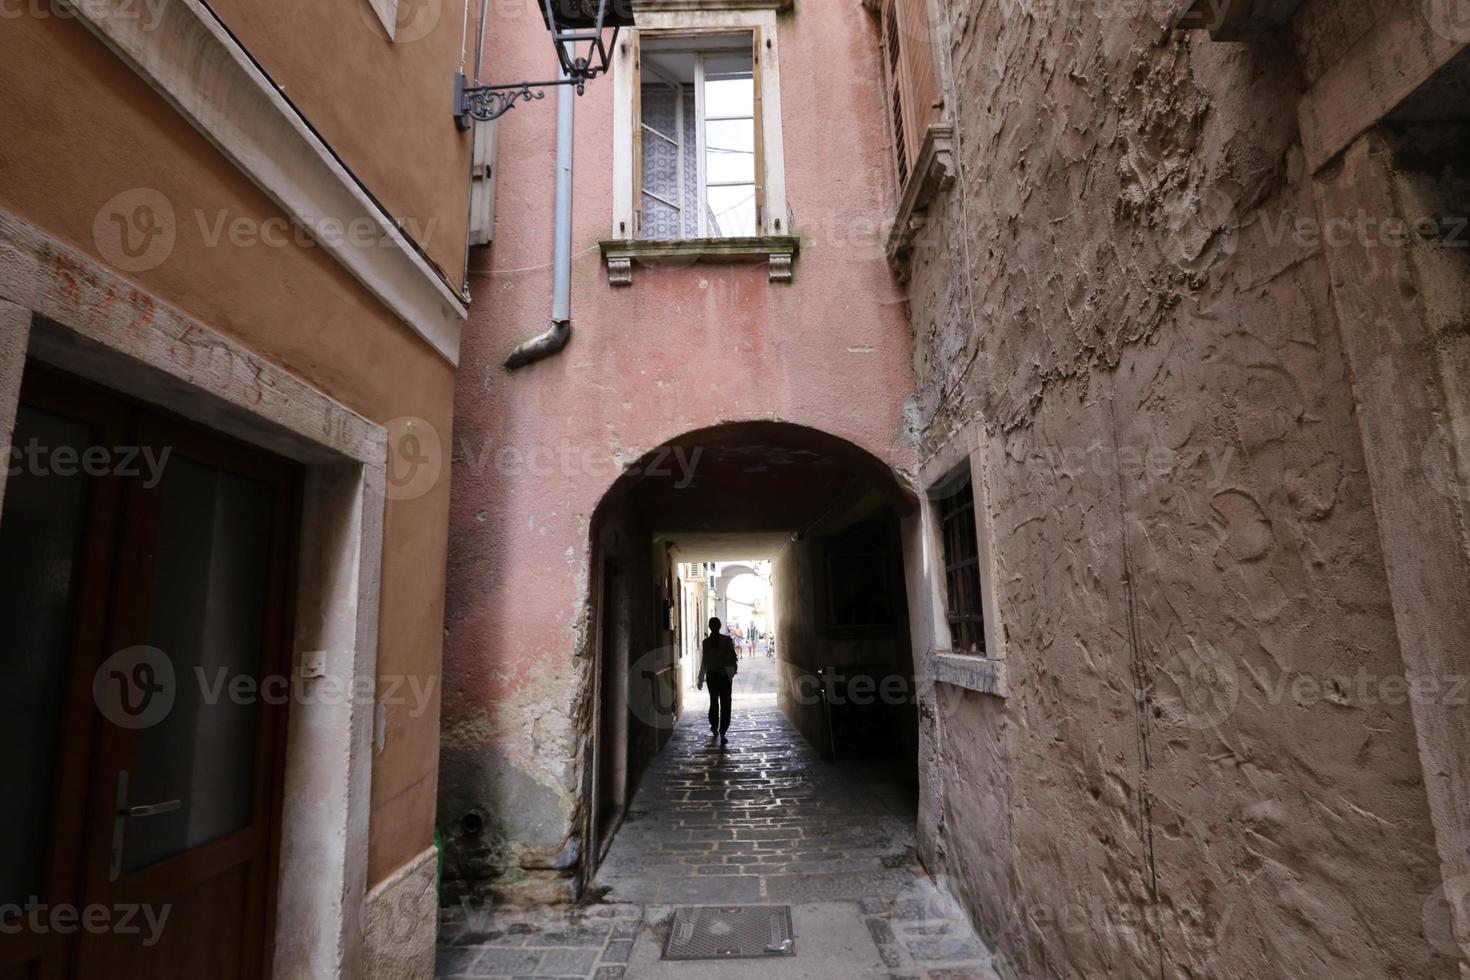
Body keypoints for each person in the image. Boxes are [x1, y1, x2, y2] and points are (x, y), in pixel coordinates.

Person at [698, 617, 738, 744]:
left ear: (709, 627)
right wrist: (731, 674)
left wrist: (700, 678)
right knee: (726, 703)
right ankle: (723, 730)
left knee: (713, 701)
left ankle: (714, 726)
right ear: (720, 626)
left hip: (712, 676)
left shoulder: (706, 642)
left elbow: (704, 662)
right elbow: (733, 658)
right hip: (724, 676)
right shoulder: (727, 640)